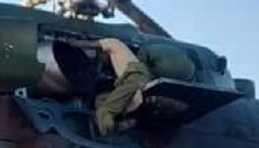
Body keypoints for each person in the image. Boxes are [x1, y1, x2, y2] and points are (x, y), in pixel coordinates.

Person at [66, 36, 195, 135]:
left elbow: (138, 79)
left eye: (102, 57)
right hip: (188, 72)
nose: (103, 61)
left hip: (159, 76)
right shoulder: (149, 48)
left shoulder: (137, 56)